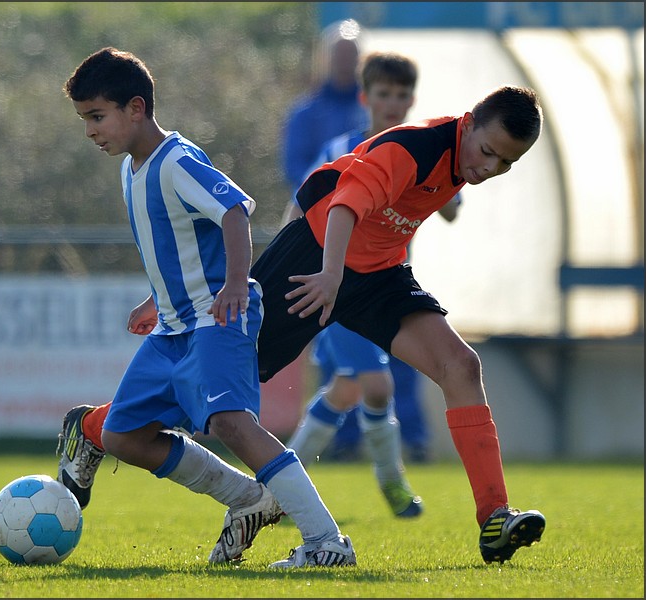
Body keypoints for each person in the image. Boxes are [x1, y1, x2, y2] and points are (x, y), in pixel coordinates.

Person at [58, 83, 547, 566]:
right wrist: (331, 275)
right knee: (216, 390)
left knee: (461, 366)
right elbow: (344, 203)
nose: (490, 169)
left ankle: (495, 517)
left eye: (506, 163)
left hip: (378, 275)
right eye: (488, 152)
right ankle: (99, 426)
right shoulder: (414, 147)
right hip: (311, 261)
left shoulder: (460, 161)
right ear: (469, 122)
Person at [60, 46, 355, 569]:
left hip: (217, 317)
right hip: (173, 324)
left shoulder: (176, 160)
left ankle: (326, 541)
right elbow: (177, 243)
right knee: (121, 436)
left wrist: (237, 285)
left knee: (232, 424)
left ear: (135, 108)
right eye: (85, 119)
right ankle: (247, 498)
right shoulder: (130, 169)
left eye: (96, 116)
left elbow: (235, 211)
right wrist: (157, 298)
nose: (90, 130)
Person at [285, 52, 462, 514]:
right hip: (341, 287)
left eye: (402, 95)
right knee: (377, 385)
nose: (393, 103)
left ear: (411, 100)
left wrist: (445, 196)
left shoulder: (422, 151)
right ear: (366, 97)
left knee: (347, 390)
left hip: (384, 287)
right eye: (384, 94)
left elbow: (450, 204)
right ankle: (392, 482)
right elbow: (303, 204)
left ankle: (278, 492)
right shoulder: (342, 151)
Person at [281, 19, 369, 196]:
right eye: (339, 55)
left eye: (351, 55)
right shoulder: (305, 112)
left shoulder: (372, 108)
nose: (345, 62)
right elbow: (294, 166)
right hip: (316, 205)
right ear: (326, 59)